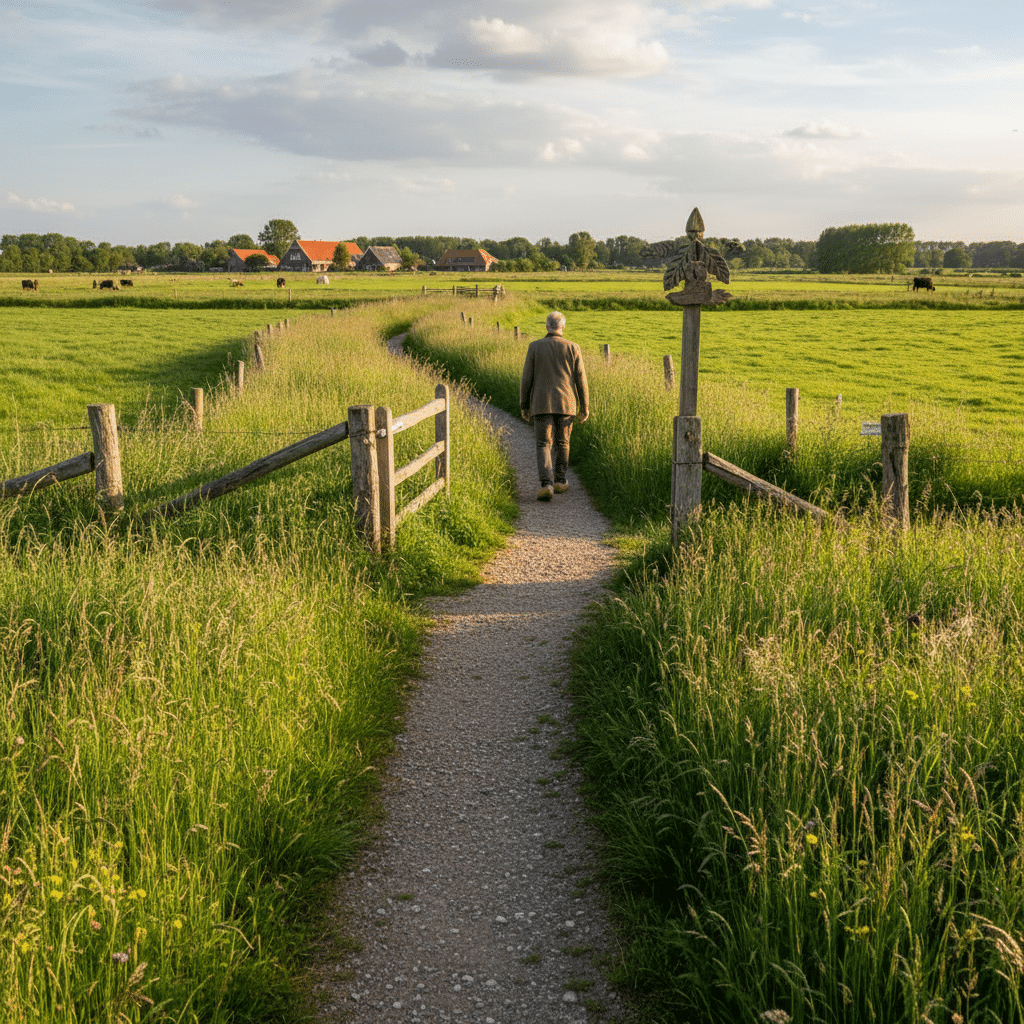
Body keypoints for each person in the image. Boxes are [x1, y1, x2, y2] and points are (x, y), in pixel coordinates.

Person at [519, 311, 590, 501]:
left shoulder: (534, 347)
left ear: (547, 326)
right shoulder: (573, 347)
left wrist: (524, 405)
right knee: (563, 442)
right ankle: (560, 481)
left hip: (541, 402)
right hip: (567, 403)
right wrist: (585, 406)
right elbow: (581, 379)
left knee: (543, 443)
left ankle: (546, 485)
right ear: (563, 327)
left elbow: (526, 379)